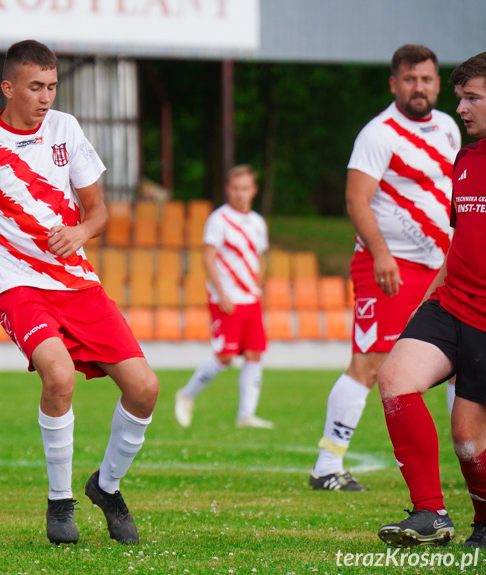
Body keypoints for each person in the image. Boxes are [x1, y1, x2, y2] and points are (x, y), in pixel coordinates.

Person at [0, 39, 159, 546]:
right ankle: (60, 503)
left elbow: (99, 211)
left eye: (52, 86)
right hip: (17, 286)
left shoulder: (67, 129)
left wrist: (82, 233)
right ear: (9, 87)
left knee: (145, 389)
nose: (46, 97)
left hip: (77, 283)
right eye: (36, 86)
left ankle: (106, 488)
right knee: (59, 377)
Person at [308, 45, 461, 492]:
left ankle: (469, 458)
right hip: (389, 267)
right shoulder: (379, 134)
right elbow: (356, 200)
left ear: (438, 83)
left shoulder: (450, 128)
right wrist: (381, 254)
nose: (420, 87)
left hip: (441, 267)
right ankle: (326, 467)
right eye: (410, 79)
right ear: (395, 84)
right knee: (372, 363)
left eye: (428, 79)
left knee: (461, 362)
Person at [375, 51, 486, 549]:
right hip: (451, 304)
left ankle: (483, 524)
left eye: (472, 99)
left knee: (467, 438)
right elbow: (460, 241)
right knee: (395, 381)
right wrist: (430, 296)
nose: (460, 109)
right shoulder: (466, 159)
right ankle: (431, 514)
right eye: (460, 97)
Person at [174, 165, 272, 430]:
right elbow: (208, 256)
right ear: (229, 189)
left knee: (254, 354)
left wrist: (259, 288)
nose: (241, 194)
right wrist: (221, 291)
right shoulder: (219, 219)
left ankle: (246, 415)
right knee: (225, 356)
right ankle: (186, 394)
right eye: (236, 188)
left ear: (253, 190)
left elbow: (257, 259)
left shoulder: (258, 223)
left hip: (252, 298)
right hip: (226, 298)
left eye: (246, 189)